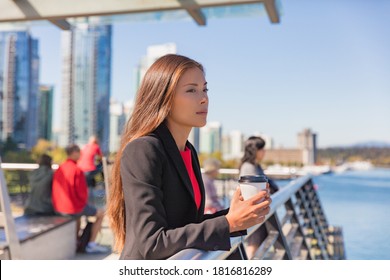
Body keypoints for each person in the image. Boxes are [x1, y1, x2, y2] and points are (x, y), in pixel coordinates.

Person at [107, 54, 272, 260]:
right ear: (163, 97)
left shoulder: (188, 151)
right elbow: (151, 242)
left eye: (205, 89)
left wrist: (237, 215)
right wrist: (229, 222)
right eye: (191, 90)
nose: (203, 98)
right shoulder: (143, 149)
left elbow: (184, 224)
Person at [52, 144, 108, 254]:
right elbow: (82, 195)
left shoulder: (60, 168)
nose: (81, 154)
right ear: (73, 153)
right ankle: (91, 244)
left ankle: (77, 241)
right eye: (78, 152)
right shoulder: (77, 170)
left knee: (78, 216)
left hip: (58, 206)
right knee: (101, 213)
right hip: (72, 207)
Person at [239, 136, 279, 259]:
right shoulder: (248, 167)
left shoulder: (256, 166)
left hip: (258, 210)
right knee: (253, 244)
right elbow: (250, 192)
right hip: (253, 211)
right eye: (262, 149)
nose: (264, 152)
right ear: (254, 150)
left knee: (257, 242)